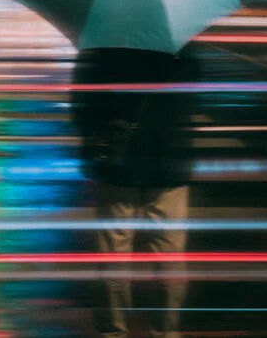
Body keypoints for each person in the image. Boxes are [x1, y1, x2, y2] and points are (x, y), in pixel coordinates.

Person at [71, 47, 199, 338]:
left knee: (113, 254)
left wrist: (92, 137)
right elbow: (192, 95)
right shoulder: (181, 41)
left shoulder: (105, 42)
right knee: (169, 255)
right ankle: (165, 331)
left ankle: (113, 331)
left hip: (120, 163)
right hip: (168, 162)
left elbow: (82, 101)